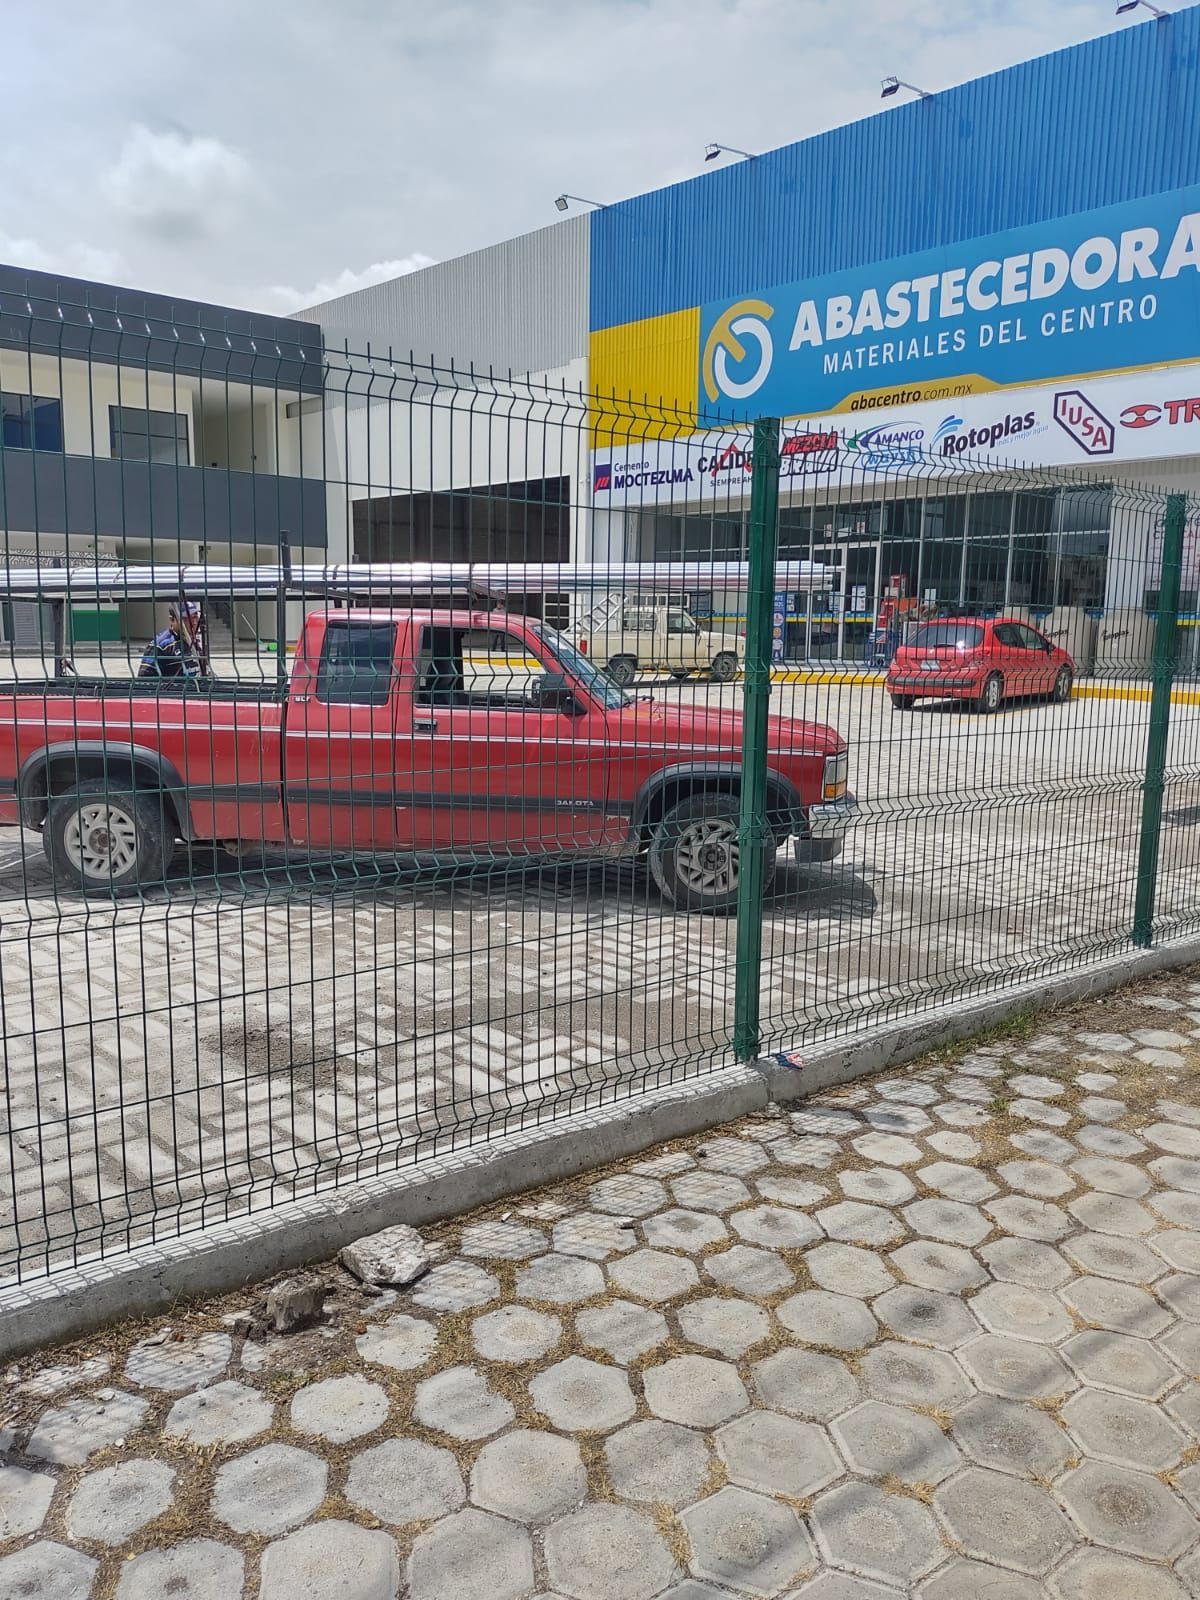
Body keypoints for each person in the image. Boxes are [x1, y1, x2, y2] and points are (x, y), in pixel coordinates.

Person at [138, 601, 202, 678]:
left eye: (195, 617)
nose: (193, 622)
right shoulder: (161, 645)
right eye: (186, 619)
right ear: (172, 620)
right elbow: (144, 680)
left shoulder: (196, 641)